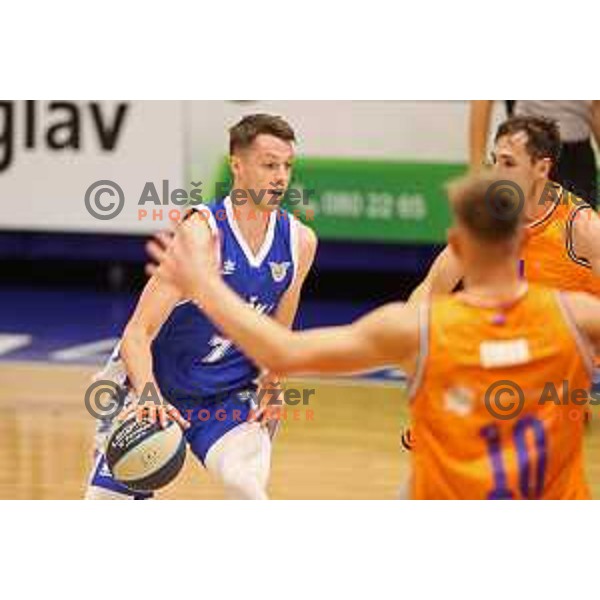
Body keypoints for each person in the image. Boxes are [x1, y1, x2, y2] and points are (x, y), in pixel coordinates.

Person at [146, 171, 600, 499]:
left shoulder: (415, 329)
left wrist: (204, 284)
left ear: (456, 247)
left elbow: (282, 353)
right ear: (523, 243)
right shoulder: (578, 317)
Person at [85, 113, 318, 500]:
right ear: (237, 166)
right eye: (269, 165)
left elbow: (278, 334)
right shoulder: (200, 234)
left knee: (246, 486)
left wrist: (273, 385)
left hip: (227, 396)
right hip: (154, 388)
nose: (281, 177)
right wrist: (147, 395)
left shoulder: (300, 242)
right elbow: (136, 334)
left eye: (287, 166)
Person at [413, 115, 600, 305]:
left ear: (542, 168)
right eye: (494, 161)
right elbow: (430, 289)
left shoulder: (582, 226)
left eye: (508, 163)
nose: (495, 174)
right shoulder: (488, 217)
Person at [470, 101, 600, 207]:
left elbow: (596, 109)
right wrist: (477, 167)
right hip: (529, 149)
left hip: (577, 156)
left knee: (579, 229)